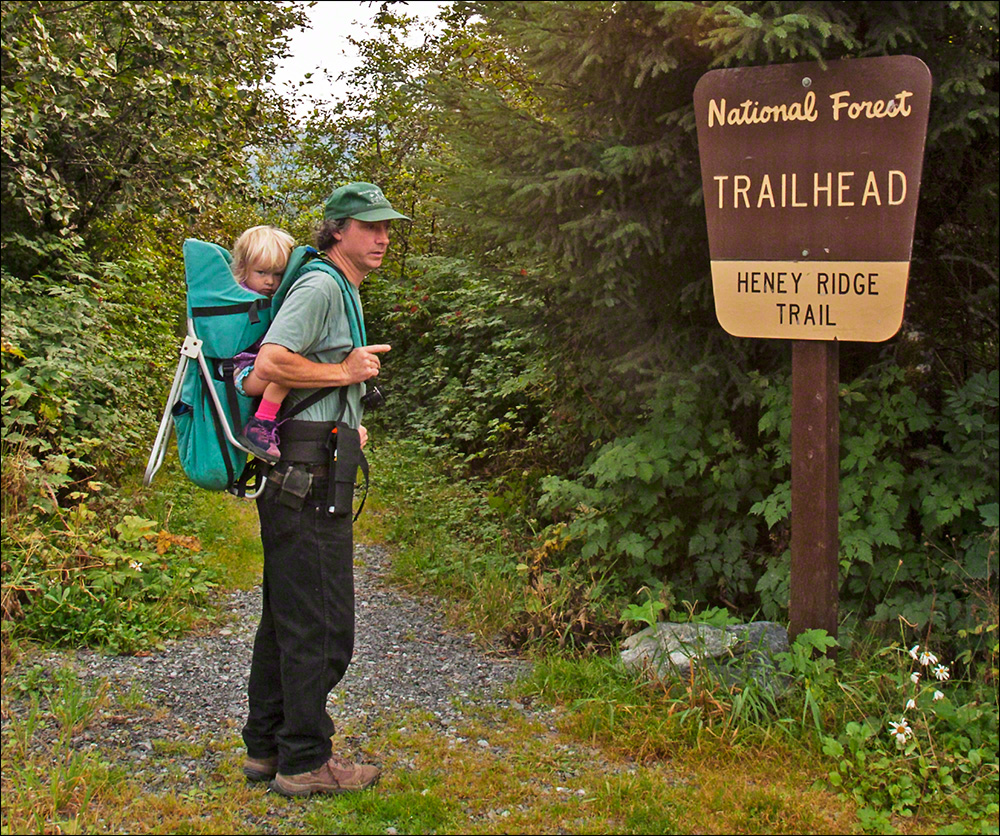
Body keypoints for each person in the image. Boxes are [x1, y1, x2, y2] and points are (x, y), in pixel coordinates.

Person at [240, 182, 409, 797]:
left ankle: (266, 748)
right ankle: (305, 761)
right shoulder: (319, 285)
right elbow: (269, 365)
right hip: (306, 476)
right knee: (324, 625)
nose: (383, 237)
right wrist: (343, 373)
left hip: (315, 458)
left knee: (288, 616)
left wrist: (346, 414)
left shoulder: (340, 287)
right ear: (337, 230)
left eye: (388, 227)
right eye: (370, 226)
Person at [227, 224, 296, 463]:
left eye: (277, 274)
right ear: (243, 269)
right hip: (241, 370)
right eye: (262, 273)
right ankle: (261, 424)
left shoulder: (269, 299)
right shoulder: (242, 299)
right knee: (285, 369)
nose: (270, 281)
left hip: (253, 367)